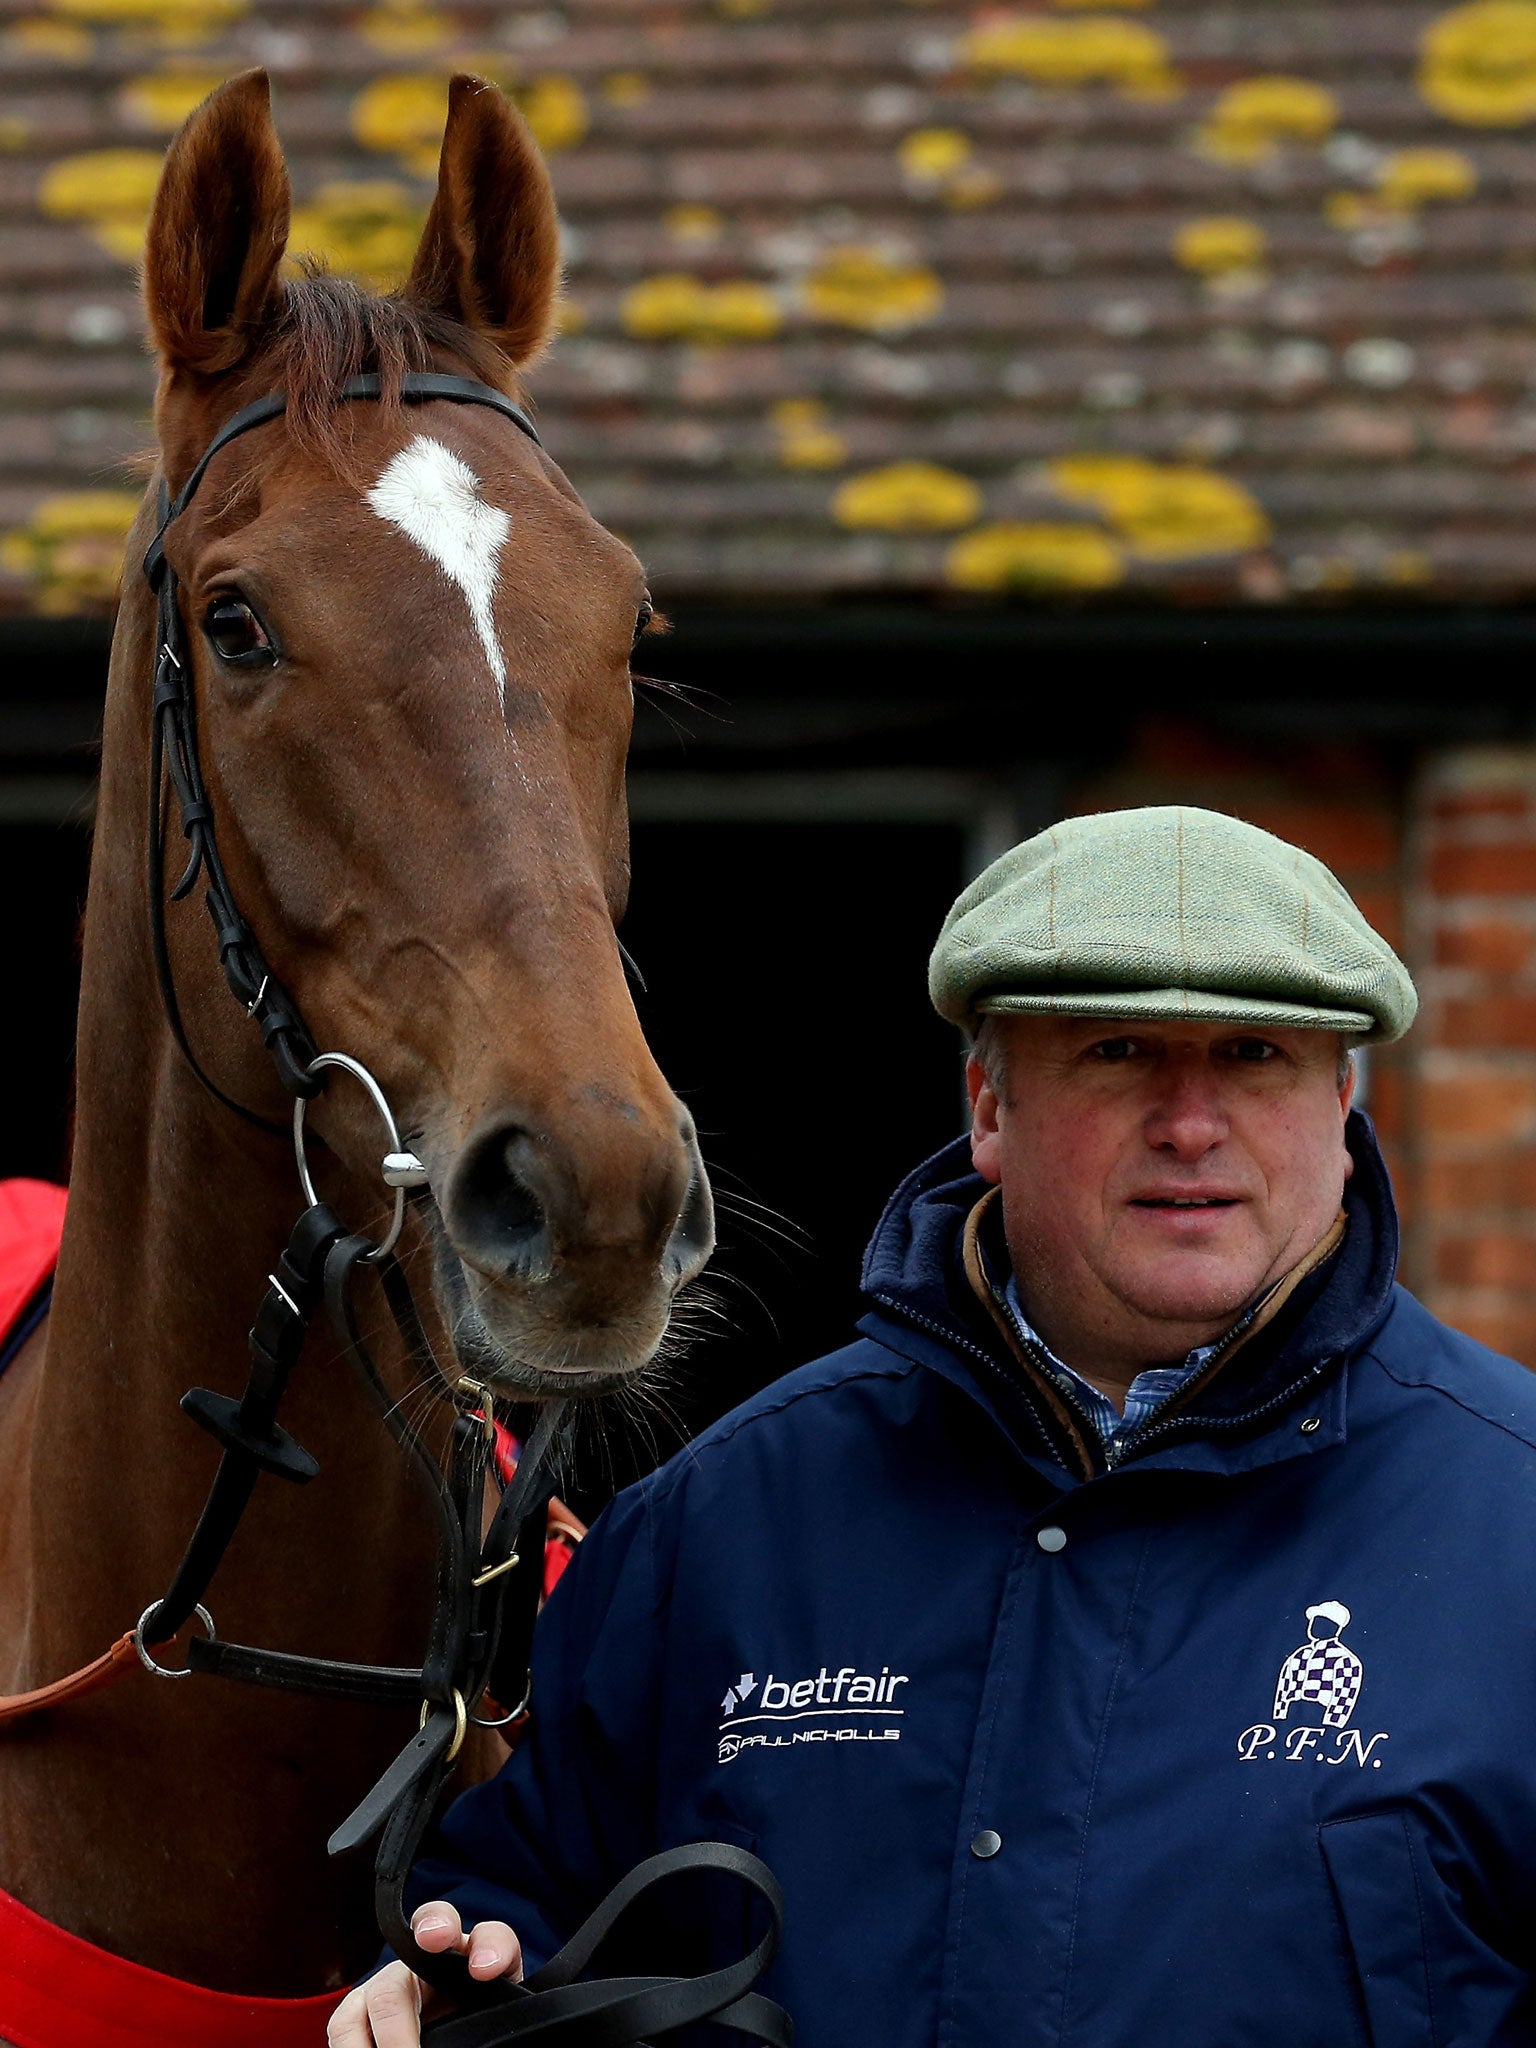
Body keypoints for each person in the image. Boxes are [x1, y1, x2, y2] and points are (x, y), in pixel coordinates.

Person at [331, 804, 1536, 2048]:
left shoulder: (1517, 1522)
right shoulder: (720, 1527)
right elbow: (521, 1906)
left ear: (1344, 1100)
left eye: (1254, 1055)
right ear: (990, 1106)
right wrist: (448, 1974)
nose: (1190, 1121)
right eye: (1118, 1051)